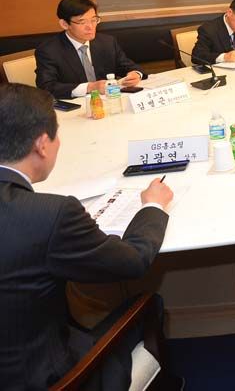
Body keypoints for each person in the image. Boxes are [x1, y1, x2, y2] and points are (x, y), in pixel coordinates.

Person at [0, 83, 173, 390]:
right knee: (151, 303)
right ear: (42, 144)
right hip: (49, 380)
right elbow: (133, 261)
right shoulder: (50, 215)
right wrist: (153, 207)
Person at [35, 0, 146, 99]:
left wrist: (135, 74)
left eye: (94, 20)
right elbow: (47, 87)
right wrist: (90, 87)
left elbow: (129, 67)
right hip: (77, 106)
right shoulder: (49, 50)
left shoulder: (107, 42)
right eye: (82, 22)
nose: (90, 27)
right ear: (64, 24)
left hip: (108, 100)